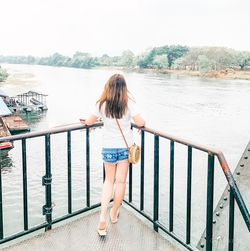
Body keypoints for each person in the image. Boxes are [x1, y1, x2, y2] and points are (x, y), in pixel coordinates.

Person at [83, 73, 145, 236]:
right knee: (121, 182)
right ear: (124, 88)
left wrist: (97, 121)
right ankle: (114, 213)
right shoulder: (128, 103)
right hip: (125, 148)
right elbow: (141, 123)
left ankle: (102, 217)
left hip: (108, 148)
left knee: (108, 182)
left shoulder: (102, 104)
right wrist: (141, 124)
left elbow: (89, 122)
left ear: (108, 86)